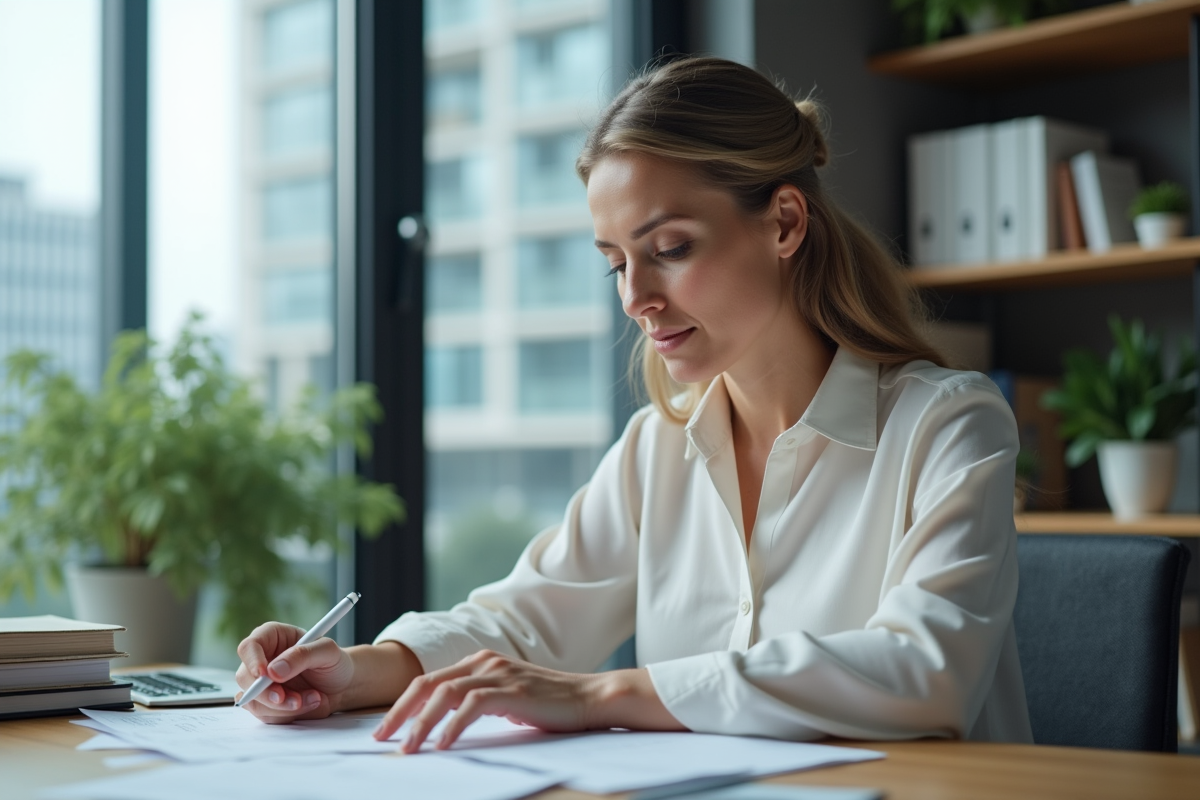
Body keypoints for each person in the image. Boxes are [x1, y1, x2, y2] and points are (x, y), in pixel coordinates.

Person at [235, 56, 1033, 751]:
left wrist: (599, 695)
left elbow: (927, 670)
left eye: (671, 250)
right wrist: (349, 673)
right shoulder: (661, 447)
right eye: (616, 263)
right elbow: (523, 623)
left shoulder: (947, 423)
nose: (636, 299)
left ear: (785, 222)